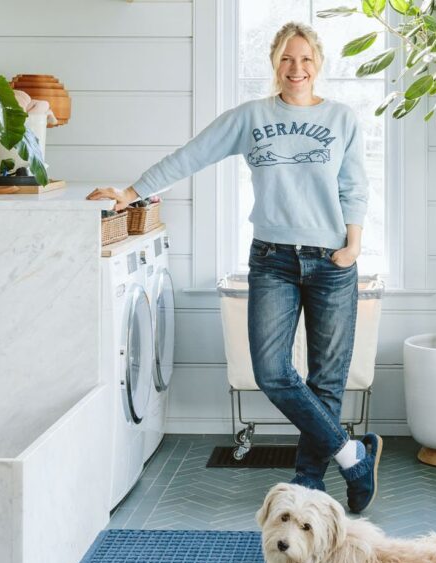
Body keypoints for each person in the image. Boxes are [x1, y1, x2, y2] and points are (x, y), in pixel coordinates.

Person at [87, 21, 381, 513]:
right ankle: (352, 454)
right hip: (273, 259)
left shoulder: (341, 118)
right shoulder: (251, 117)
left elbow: (355, 187)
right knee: (271, 370)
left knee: (326, 380)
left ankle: (309, 482)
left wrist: (353, 245)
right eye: (286, 58)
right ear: (274, 63)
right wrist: (132, 192)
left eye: (305, 59)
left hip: (332, 260)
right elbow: (193, 155)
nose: (296, 68)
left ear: (319, 64)